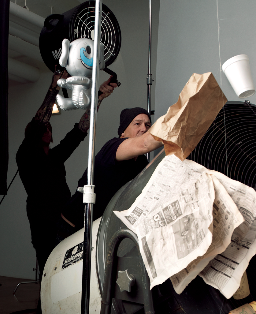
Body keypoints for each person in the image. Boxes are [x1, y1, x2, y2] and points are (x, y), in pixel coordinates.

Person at [16, 71, 117, 271]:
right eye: (43, 128)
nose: (47, 130)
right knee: (48, 266)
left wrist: (99, 97)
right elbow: (39, 123)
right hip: (42, 221)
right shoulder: (25, 155)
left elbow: (79, 131)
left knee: (66, 266)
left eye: (49, 128)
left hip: (63, 217)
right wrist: (53, 88)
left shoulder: (55, 156)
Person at [59, 107, 162, 237]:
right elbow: (145, 144)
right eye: (137, 124)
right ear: (123, 132)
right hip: (72, 226)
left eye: (147, 125)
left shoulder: (140, 161)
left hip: (99, 228)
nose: (144, 129)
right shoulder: (113, 146)